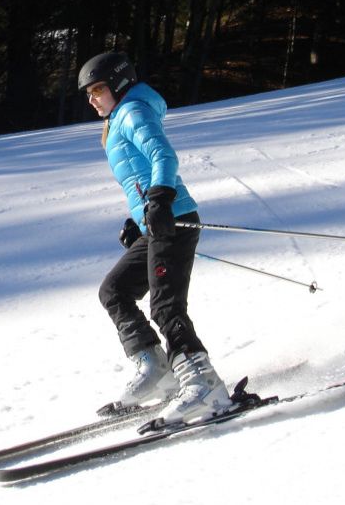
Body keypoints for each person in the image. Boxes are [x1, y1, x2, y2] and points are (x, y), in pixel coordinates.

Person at [78, 51, 234, 426]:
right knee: (114, 290)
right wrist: (138, 217)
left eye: (97, 89)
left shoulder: (132, 112)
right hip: (156, 222)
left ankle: (203, 383)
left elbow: (162, 155)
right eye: (87, 93)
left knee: (166, 307)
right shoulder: (120, 117)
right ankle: (156, 370)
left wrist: (161, 199)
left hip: (174, 219)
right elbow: (139, 173)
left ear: (118, 83)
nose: (91, 99)